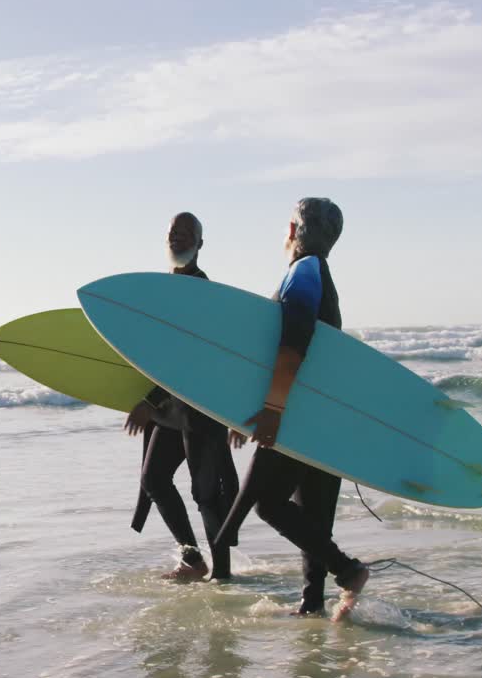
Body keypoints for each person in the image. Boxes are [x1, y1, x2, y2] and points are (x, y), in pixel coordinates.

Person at [215, 197, 369, 620]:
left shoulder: (303, 271)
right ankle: (313, 603)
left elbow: (293, 343)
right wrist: (246, 408)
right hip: (325, 414)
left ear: (292, 231)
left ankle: (347, 570)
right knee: (314, 515)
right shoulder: (323, 275)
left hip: (300, 413)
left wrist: (271, 408)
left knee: (269, 503)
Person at [126, 212, 239, 581]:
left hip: (200, 411)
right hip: (172, 411)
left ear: (200, 244)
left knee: (206, 495)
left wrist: (150, 402)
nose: (178, 237)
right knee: (155, 480)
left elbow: (191, 358)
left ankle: (222, 576)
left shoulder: (201, 292)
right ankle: (192, 558)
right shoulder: (163, 289)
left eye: (186, 233)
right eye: (173, 231)